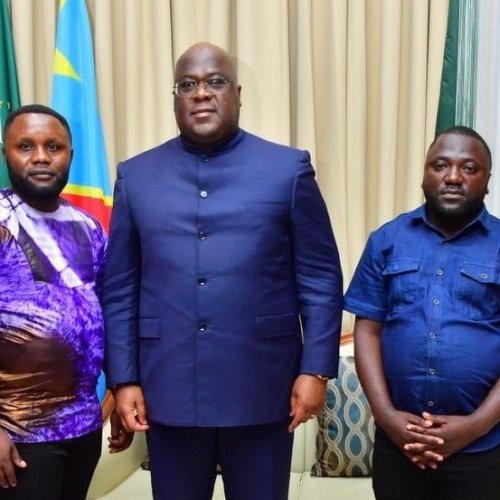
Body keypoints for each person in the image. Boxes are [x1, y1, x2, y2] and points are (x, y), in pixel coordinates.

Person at [102, 42, 343, 500]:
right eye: (187, 84)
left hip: (264, 388)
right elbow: (119, 288)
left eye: (215, 82)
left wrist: (316, 370)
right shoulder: (136, 176)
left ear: (237, 93)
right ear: (175, 97)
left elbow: (320, 278)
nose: (201, 93)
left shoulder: (287, 169)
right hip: (167, 388)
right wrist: (124, 379)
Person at [344, 125, 500, 500]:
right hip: (399, 447)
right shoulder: (386, 240)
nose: (453, 176)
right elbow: (367, 331)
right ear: (424, 174)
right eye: (440, 165)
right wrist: (386, 417)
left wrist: (475, 426)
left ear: (487, 181)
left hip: (481, 450)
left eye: (469, 168)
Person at [0, 104, 130, 500]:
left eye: (53, 146)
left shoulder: (89, 227)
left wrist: (117, 393)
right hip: (18, 434)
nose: (40, 156)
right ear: (6, 153)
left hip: (83, 428)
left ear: (70, 155)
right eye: (26, 146)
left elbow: (106, 313)